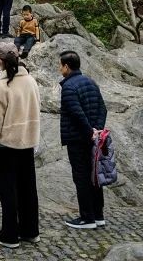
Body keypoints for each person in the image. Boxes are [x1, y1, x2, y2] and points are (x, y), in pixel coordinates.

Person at [0, 42, 41, 249]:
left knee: (8, 190)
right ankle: (30, 231)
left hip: (7, 144)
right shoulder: (31, 81)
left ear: (0, 62)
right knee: (28, 188)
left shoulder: (2, 85)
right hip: (27, 142)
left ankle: (9, 235)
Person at [59, 50, 108, 230]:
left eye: (60, 65)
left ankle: (87, 217)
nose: (60, 68)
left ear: (66, 66)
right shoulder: (91, 82)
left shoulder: (69, 87)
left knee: (81, 177)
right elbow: (103, 108)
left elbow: (77, 113)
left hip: (78, 139)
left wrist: (90, 131)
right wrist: (97, 130)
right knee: (94, 176)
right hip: (93, 138)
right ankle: (98, 215)